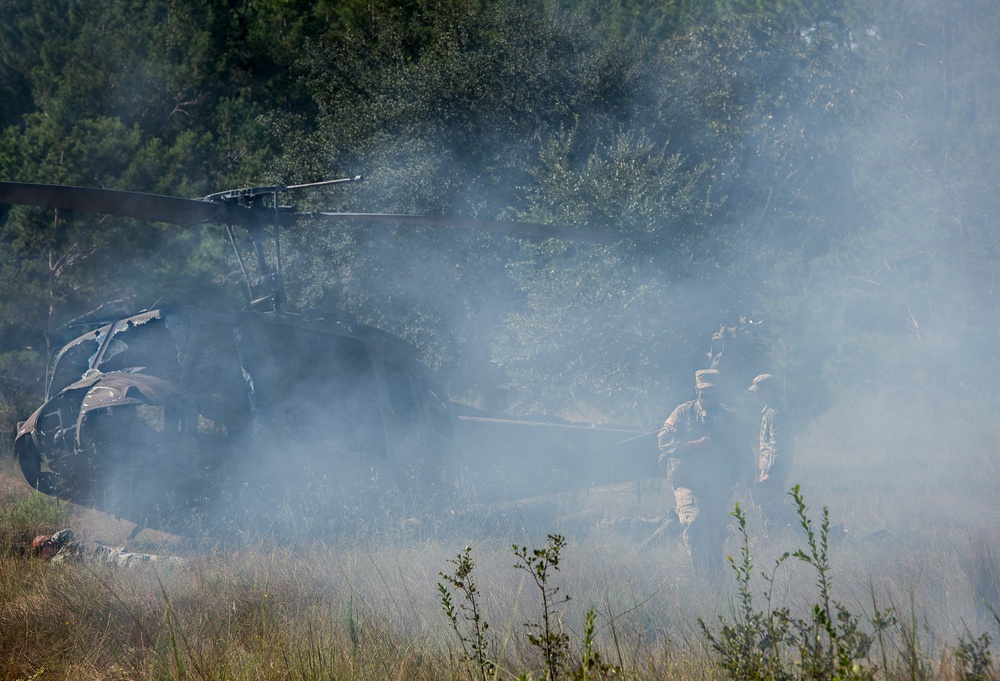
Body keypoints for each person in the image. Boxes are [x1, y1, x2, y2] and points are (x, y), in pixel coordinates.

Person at [658, 369, 742, 574]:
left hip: (717, 483)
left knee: (715, 530)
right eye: (705, 395)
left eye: (713, 395)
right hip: (687, 481)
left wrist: (744, 475)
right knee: (695, 522)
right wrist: (696, 444)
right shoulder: (682, 412)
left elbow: (739, 449)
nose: (709, 399)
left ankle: (715, 575)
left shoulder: (728, 416)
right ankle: (701, 574)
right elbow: (663, 441)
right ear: (697, 391)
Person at [747, 373, 796, 533]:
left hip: (774, 468)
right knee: (770, 505)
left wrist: (771, 471)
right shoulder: (769, 410)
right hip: (769, 466)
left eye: (760, 391)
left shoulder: (775, 413)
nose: (757, 395)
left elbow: (777, 444)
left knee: (771, 506)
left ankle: (777, 537)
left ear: (770, 390)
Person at [32, 529, 183, 569]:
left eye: (48, 540)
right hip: (108, 561)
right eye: (45, 545)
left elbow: (68, 532)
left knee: (143, 559)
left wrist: (53, 540)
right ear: (42, 554)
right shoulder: (56, 561)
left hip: (111, 553)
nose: (49, 543)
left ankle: (179, 563)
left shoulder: (62, 543)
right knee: (143, 563)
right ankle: (179, 565)